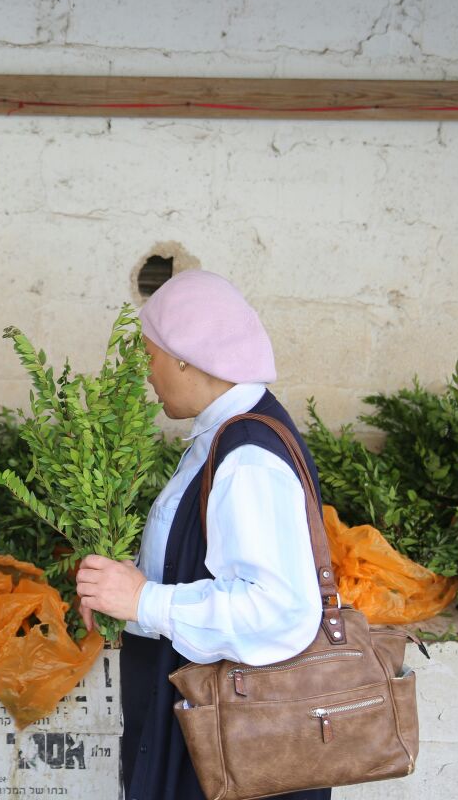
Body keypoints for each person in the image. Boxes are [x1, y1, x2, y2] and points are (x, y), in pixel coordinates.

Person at [74, 270, 330, 800]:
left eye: (151, 356)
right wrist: (125, 601)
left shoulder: (249, 457)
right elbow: (202, 571)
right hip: (217, 733)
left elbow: (279, 609)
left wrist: (146, 601)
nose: (147, 374)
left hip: (239, 747)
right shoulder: (227, 436)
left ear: (186, 356)